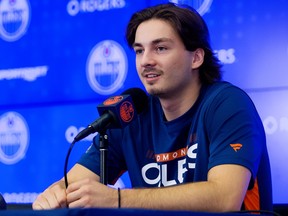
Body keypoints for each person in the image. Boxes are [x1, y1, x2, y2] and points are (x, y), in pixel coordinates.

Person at [33, 3, 272, 212]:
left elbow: (224, 198)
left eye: (161, 48)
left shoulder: (227, 104)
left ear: (196, 58)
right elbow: (70, 185)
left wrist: (117, 199)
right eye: (139, 50)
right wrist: (55, 194)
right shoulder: (130, 113)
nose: (146, 60)